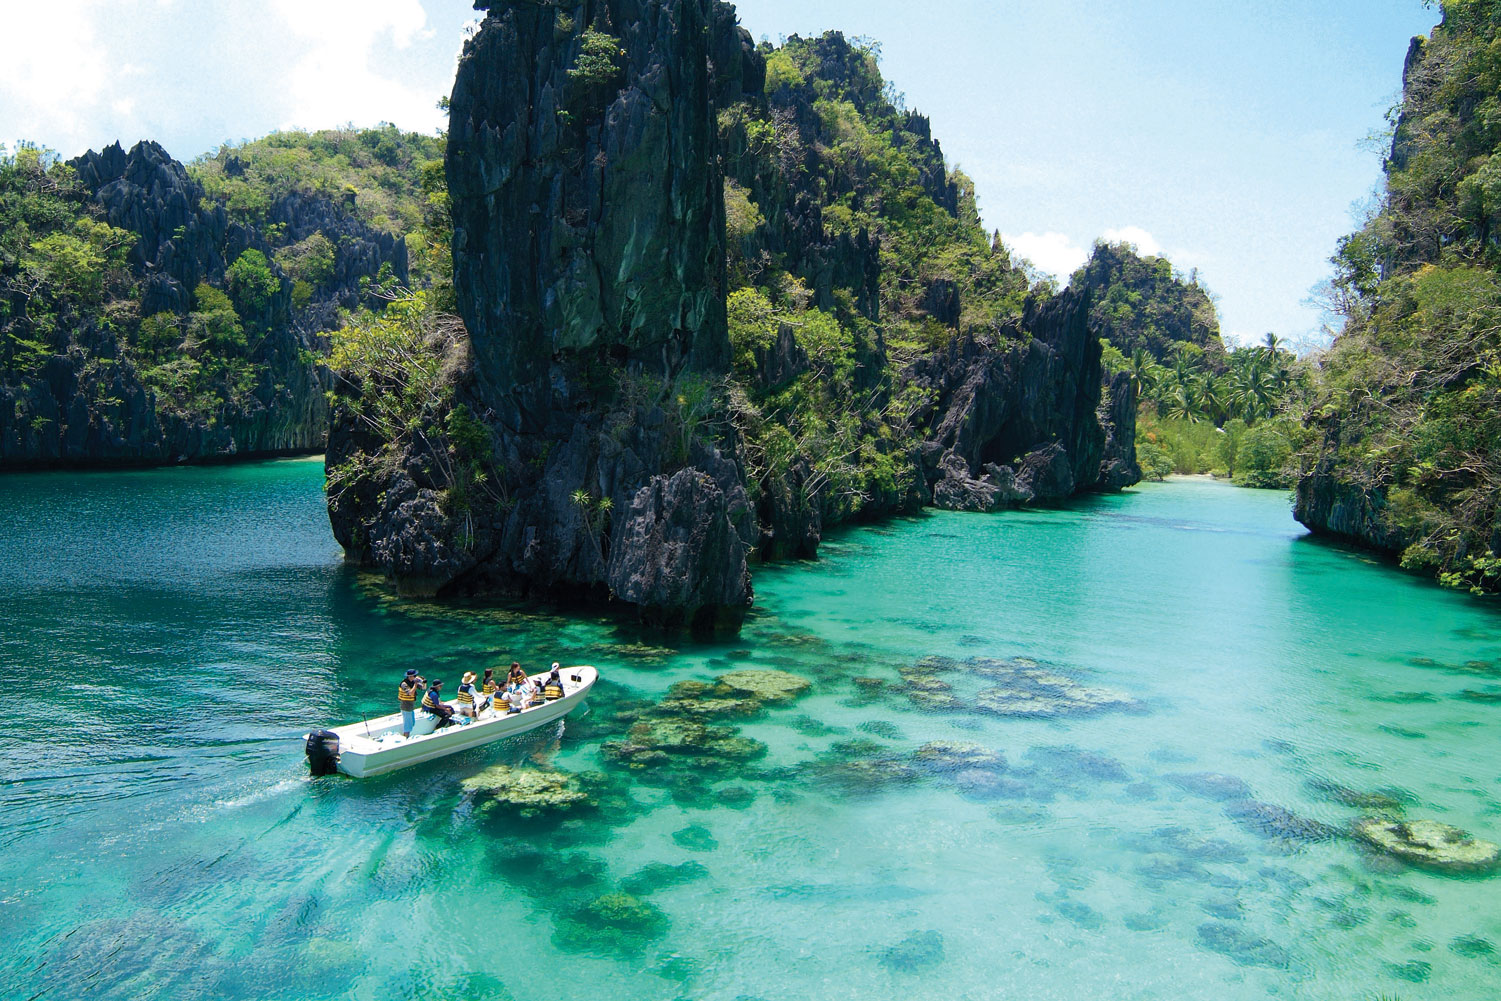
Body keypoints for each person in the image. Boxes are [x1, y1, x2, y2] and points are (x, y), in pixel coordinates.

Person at [397, 669, 426, 737]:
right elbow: (410, 693)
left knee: (412, 723)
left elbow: (423, 688)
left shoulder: (412, 682)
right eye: (414, 676)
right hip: (406, 706)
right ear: (409, 676)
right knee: (408, 725)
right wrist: (415, 684)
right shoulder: (404, 684)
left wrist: (424, 682)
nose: (415, 677)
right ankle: (406, 737)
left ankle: (406, 735)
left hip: (410, 706)